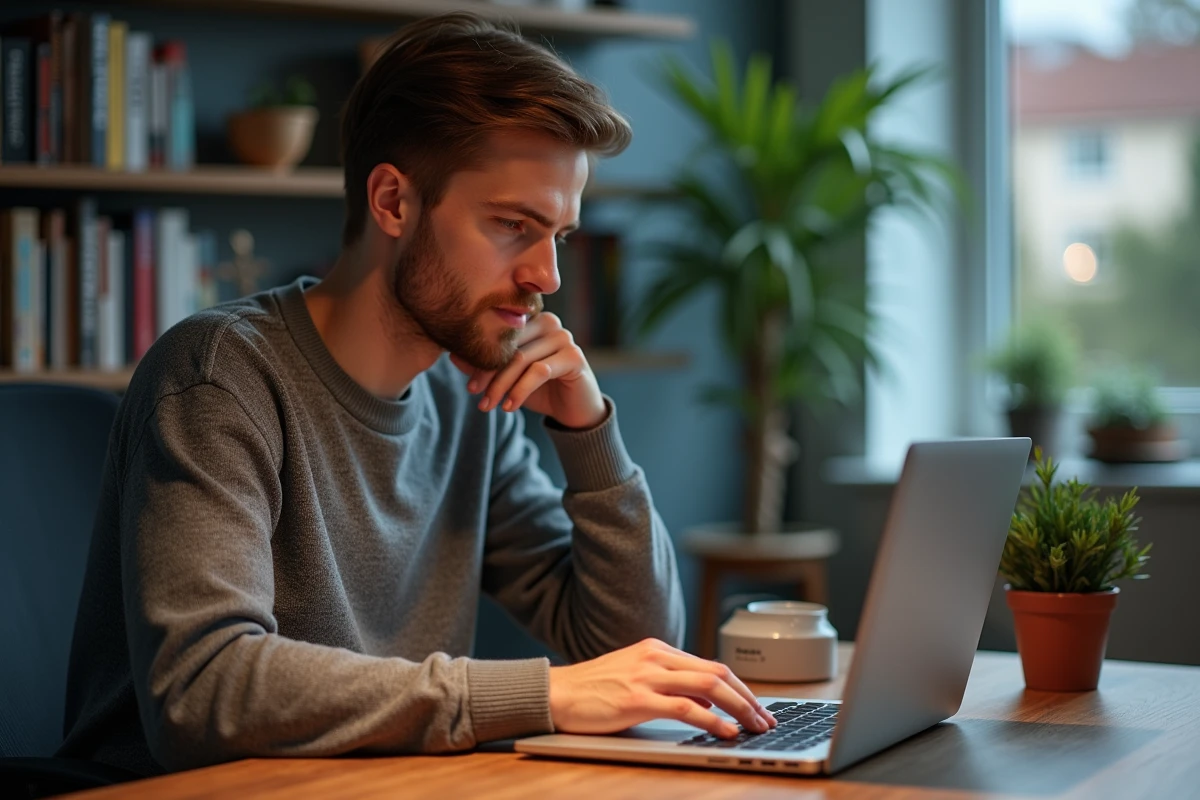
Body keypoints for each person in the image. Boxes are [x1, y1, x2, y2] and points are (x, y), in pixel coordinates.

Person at [58, 12, 776, 776]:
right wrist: (542, 695)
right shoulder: (220, 376)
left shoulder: (469, 400)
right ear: (393, 202)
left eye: (558, 236)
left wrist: (589, 433)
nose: (547, 276)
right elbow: (203, 688)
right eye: (513, 224)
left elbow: (632, 649)